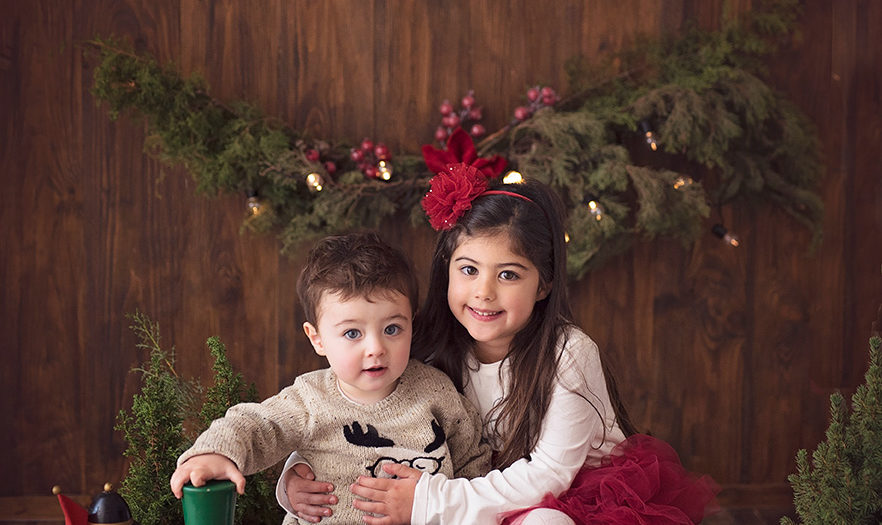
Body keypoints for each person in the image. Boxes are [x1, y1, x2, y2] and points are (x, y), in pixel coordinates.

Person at [282, 163, 719, 524]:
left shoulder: (568, 353)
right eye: (469, 270)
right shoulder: (425, 346)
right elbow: (353, 405)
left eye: (508, 274)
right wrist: (297, 474)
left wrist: (430, 502)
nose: (484, 292)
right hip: (474, 494)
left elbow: (550, 475)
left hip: (570, 495)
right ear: (446, 270)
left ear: (543, 284)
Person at [169, 231, 491, 525]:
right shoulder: (310, 399)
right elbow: (255, 424)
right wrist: (216, 451)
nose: (376, 348)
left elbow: (473, 464)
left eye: (392, 329)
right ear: (317, 338)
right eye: (352, 333)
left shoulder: (436, 392)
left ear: (412, 324)